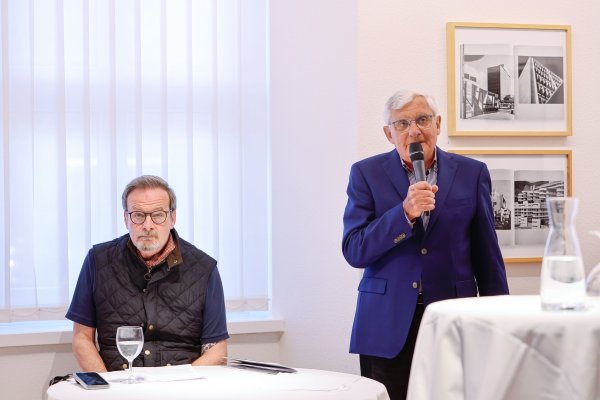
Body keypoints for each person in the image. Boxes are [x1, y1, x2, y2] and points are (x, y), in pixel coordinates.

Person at [341, 90, 509, 400]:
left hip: (453, 318)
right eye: (402, 123)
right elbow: (355, 249)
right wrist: (404, 214)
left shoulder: (472, 173)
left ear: (438, 124)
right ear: (388, 134)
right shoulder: (365, 173)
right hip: (386, 323)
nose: (414, 130)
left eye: (422, 120)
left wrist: (499, 323)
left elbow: (488, 256)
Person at [67, 175, 229, 372]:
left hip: (183, 383)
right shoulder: (97, 261)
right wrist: (107, 385)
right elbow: (82, 338)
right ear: (126, 219)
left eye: (158, 215)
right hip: (116, 382)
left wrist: (176, 384)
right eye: (138, 215)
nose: (148, 225)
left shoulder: (204, 269)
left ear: (172, 218)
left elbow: (217, 351)